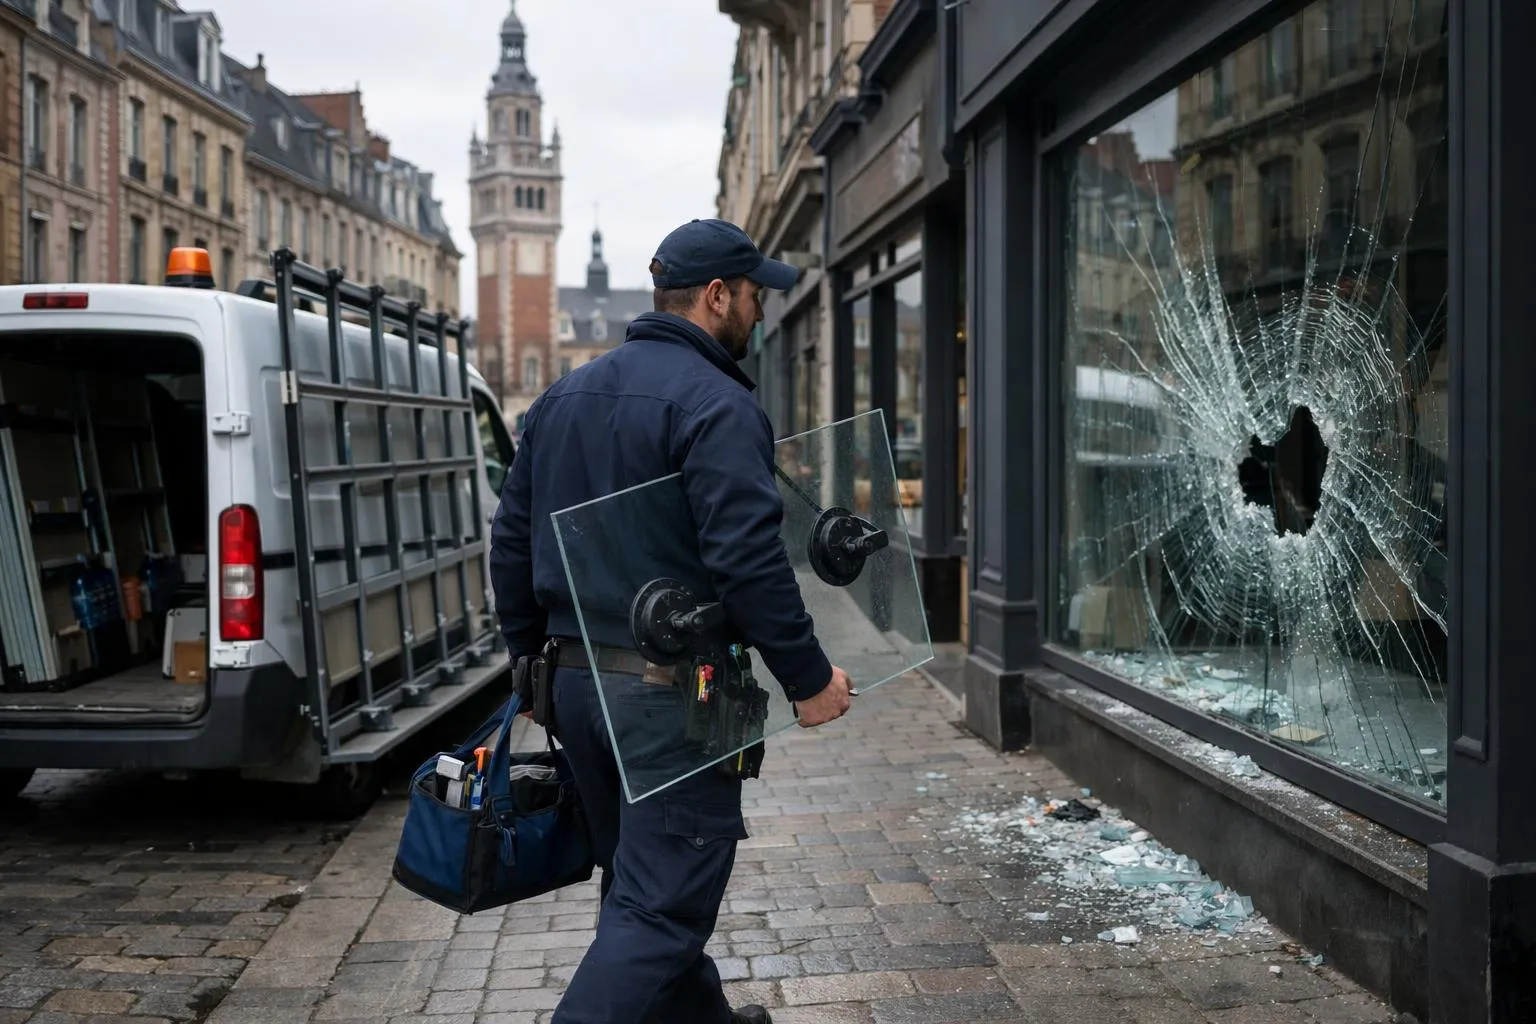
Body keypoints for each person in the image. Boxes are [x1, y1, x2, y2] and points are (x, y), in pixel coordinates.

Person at [489, 218, 855, 1024]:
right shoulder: (715, 403)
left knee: (641, 883)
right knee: (660, 908)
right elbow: (748, 561)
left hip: (575, 688)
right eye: (754, 295)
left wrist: (533, 664)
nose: (760, 312)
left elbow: (511, 543)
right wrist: (809, 679)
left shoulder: (559, 399)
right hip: (668, 699)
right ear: (717, 296)